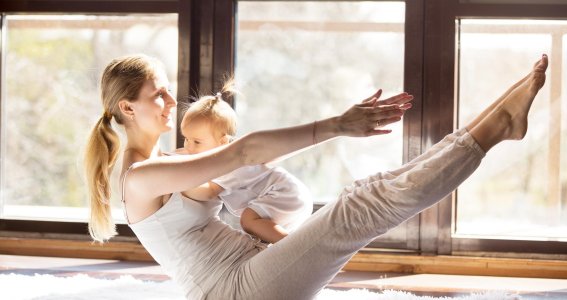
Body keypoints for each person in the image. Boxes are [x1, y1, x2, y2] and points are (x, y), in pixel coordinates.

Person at [84, 53, 548, 300]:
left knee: (364, 194)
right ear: (128, 108)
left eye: (168, 90)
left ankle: (494, 120)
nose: (171, 101)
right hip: (232, 292)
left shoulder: (169, 161)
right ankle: (494, 128)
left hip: (248, 272)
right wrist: (337, 126)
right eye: (158, 94)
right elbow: (244, 151)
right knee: (356, 209)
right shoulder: (142, 176)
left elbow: (239, 169)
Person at [179, 91, 313, 243]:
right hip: (288, 193)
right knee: (259, 229)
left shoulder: (229, 163)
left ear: (222, 142)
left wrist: (176, 184)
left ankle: (295, 246)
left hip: (284, 193)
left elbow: (208, 192)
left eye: (196, 142)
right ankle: (288, 247)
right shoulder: (219, 155)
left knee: (248, 220)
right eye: (186, 139)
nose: (188, 147)